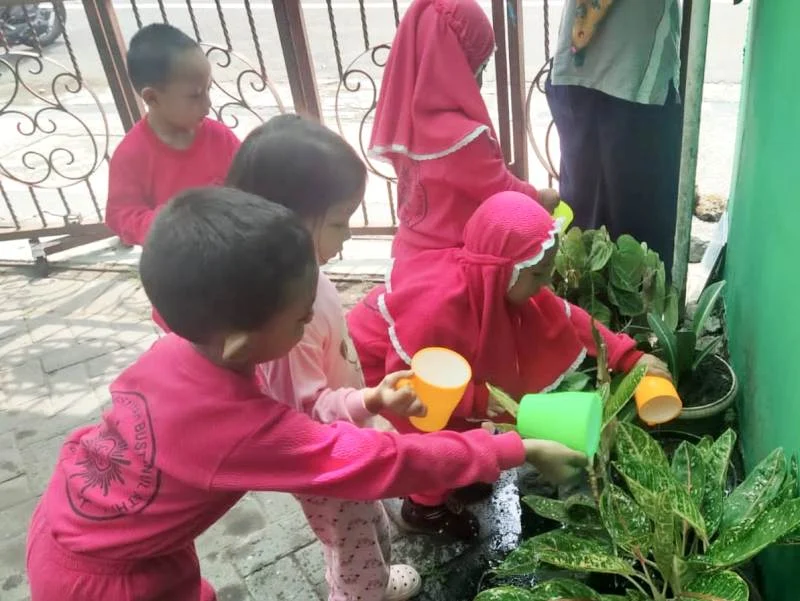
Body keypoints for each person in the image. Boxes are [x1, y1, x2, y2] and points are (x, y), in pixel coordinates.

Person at [26, 187, 588, 601]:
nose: (309, 330)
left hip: (87, 526)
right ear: (245, 341)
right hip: (105, 583)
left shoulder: (180, 350)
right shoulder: (233, 428)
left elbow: (299, 411)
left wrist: (365, 402)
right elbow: (384, 460)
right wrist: (519, 448)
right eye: (300, 320)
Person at [347, 191, 670, 541]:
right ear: (500, 271)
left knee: (459, 424)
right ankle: (424, 507)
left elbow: (570, 319)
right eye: (538, 275)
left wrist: (628, 356)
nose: (545, 284)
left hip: (444, 369)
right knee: (434, 434)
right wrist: (474, 400)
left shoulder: (503, 284)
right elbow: (414, 384)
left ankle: (461, 473)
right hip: (394, 369)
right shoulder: (437, 308)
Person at [227, 114, 426, 601]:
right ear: (286, 220)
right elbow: (303, 415)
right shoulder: (289, 315)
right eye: (339, 221)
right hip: (325, 459)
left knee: (366, 524)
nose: (348, 235)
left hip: (344, 437)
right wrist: (370, 401)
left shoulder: (301, 280)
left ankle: (372, 577)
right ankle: (361, 591)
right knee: (350, 540)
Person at [369, 0, 559, 259]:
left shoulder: (405, 126)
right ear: (455, 64)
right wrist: (540, 196)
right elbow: (501, 190)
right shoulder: (465, 138)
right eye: (479, 65)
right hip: (453, 263)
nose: (479, 77)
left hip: (406, 253)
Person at [105, 23, 240, 329]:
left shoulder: (220, 137)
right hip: (181, 284)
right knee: (193, 353)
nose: (207, 104)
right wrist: (176, 222)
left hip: (232, 271)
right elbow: (120, 216)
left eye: (208, 90)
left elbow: (248, 179)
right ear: (152, 98)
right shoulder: (132, 154)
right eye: (195, 95)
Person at [545, 0, 682, 272]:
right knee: (600, 234)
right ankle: (588, 308)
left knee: (623, 234)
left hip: (627, 78)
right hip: (601, 76)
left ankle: (594, 308)